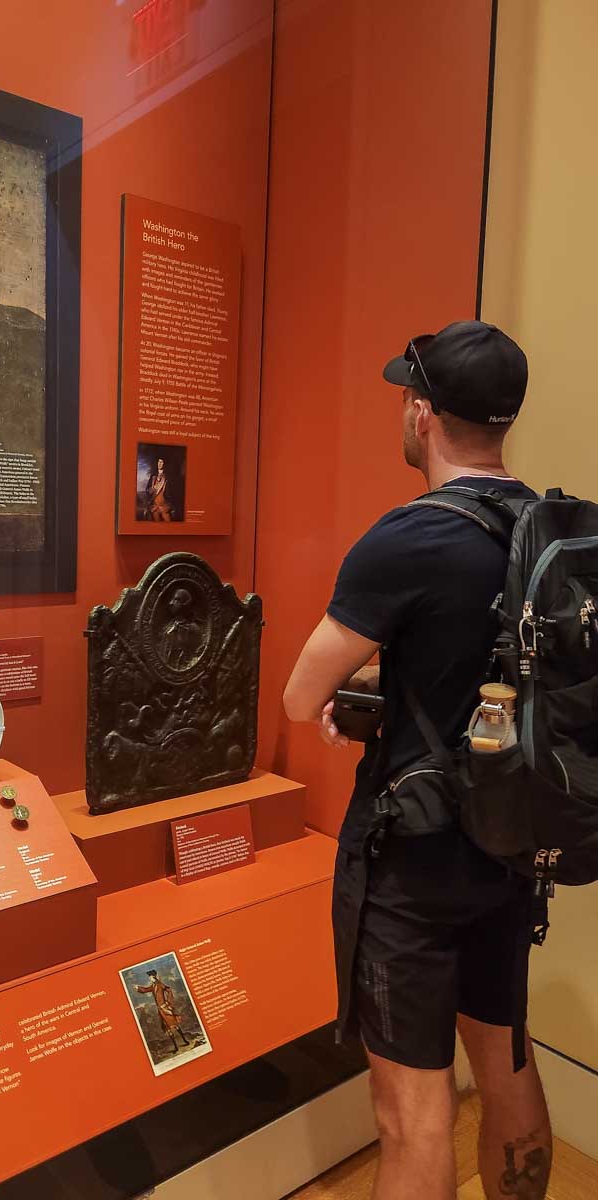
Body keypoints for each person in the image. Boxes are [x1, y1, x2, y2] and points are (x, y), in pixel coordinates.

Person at [283, 321, 551, 1200]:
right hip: (512, 847)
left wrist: (359, 686)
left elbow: (299, 696)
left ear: (422, 413)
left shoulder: (408, 538)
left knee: (413, 1116)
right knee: (507, 1066)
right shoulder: (544, 527)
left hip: (415, 860)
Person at [135, 969, 191, 1053]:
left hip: (165, 1009)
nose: (149, 978)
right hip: (160, 1011)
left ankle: (185, 1040)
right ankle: (176, 1047)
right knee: (168, 1028)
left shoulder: (160, 984)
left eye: (150, 977)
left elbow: (169, 990)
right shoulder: (153, 986)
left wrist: (168, 1002)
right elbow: (146, 990)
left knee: (175, 1025)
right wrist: (138, 988)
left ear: (153, 977)